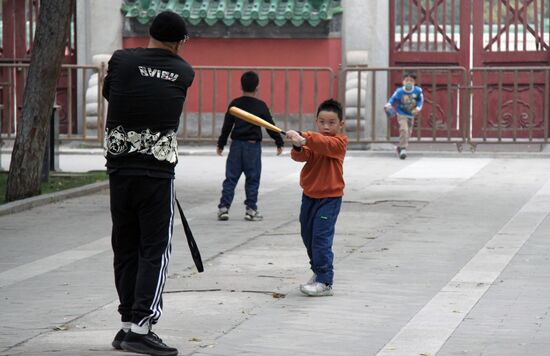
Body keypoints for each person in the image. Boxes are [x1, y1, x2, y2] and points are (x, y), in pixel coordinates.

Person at [102, 11, 194, 356]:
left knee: (125, 247)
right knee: (154, 250)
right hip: (156, 173)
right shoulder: (185, 71)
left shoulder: (122, 59)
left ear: (149, 32)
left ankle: (126, 325)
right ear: (179, 42)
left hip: (119, 169)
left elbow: (113, 94)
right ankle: (142, 327)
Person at [285, 99, 348, 297]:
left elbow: (324, 144)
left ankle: (325, 280)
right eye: (322, 122)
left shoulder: (338, 143)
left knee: (321, 238)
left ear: (341, 124)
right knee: (308, 236)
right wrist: (297, 145)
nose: (326, 127)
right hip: (309, 196)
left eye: (331, 123)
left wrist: (304, 136)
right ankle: (318, 271)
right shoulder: (314, 141)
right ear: (316, 121)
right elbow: (301, 156)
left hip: (330, 199)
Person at [216, 71, 284, 221]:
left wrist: (221, 143)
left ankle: (224, 208)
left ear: (241, 86)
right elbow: (270, 125)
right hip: (252, 147)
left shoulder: (235, 104)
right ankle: (251, 209)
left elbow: (227, 125)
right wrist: (278, 141)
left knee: (231, 178)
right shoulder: (261, 106)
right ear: (257, 87)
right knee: (253, 178)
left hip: (236, 146)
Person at [384, 72, 424, 160]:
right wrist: (388, 104)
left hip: (411, 113)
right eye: (406, 80)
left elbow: (420, 101)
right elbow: (392, 98)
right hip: (401, 113)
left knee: (408, 132)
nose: (408, 82)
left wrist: (418, 108)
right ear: (403, 82)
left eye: (411, 81)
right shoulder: (400, 91)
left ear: (414, 82)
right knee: (403, 129)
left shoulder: (418, 91)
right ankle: (403, 149)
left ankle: (399, 147)